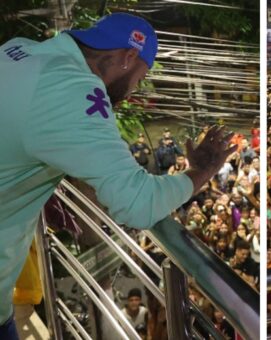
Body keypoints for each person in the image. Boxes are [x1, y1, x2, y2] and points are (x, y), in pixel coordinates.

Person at [0, 13, 236, 339]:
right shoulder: (72, 88)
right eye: (140, 79)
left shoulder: (20, 50)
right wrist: (201, 172)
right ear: (128, 57)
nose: (131, 94)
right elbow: (137, 203)